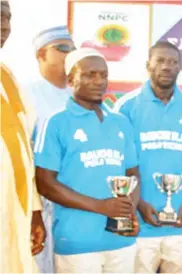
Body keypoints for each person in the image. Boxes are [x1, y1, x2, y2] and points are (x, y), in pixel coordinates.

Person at [33, 48, 141, 273]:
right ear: (71, 79)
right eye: (89, 74)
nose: (98, 81)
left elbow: (132, 173)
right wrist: (100, 207)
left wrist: (129, 211)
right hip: (78, 243)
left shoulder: (120, 122)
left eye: (103, 75)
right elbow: (44, 182)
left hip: (120, 240)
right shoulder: (55, 122)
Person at [113, 41, 182, 273]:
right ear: (148, 65)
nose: (167, 67)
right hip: (139, 224)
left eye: (173, 62)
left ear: (180, 68)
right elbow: (118, 164)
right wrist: (138, 204)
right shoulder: (126, 107)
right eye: (160, 61)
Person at [0, 1, 46, 272]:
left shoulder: (9, 78)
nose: (4, 25)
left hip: (13, 207)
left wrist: (34, 211)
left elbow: (22, 149)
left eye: (7, 18)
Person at [27, 25, 75, 273]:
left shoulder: (80, 95)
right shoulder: (26, 94)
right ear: (40, 55)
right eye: (62, 48)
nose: (70, 54)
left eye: (72, 48)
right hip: (41, 203)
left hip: (76, 203)